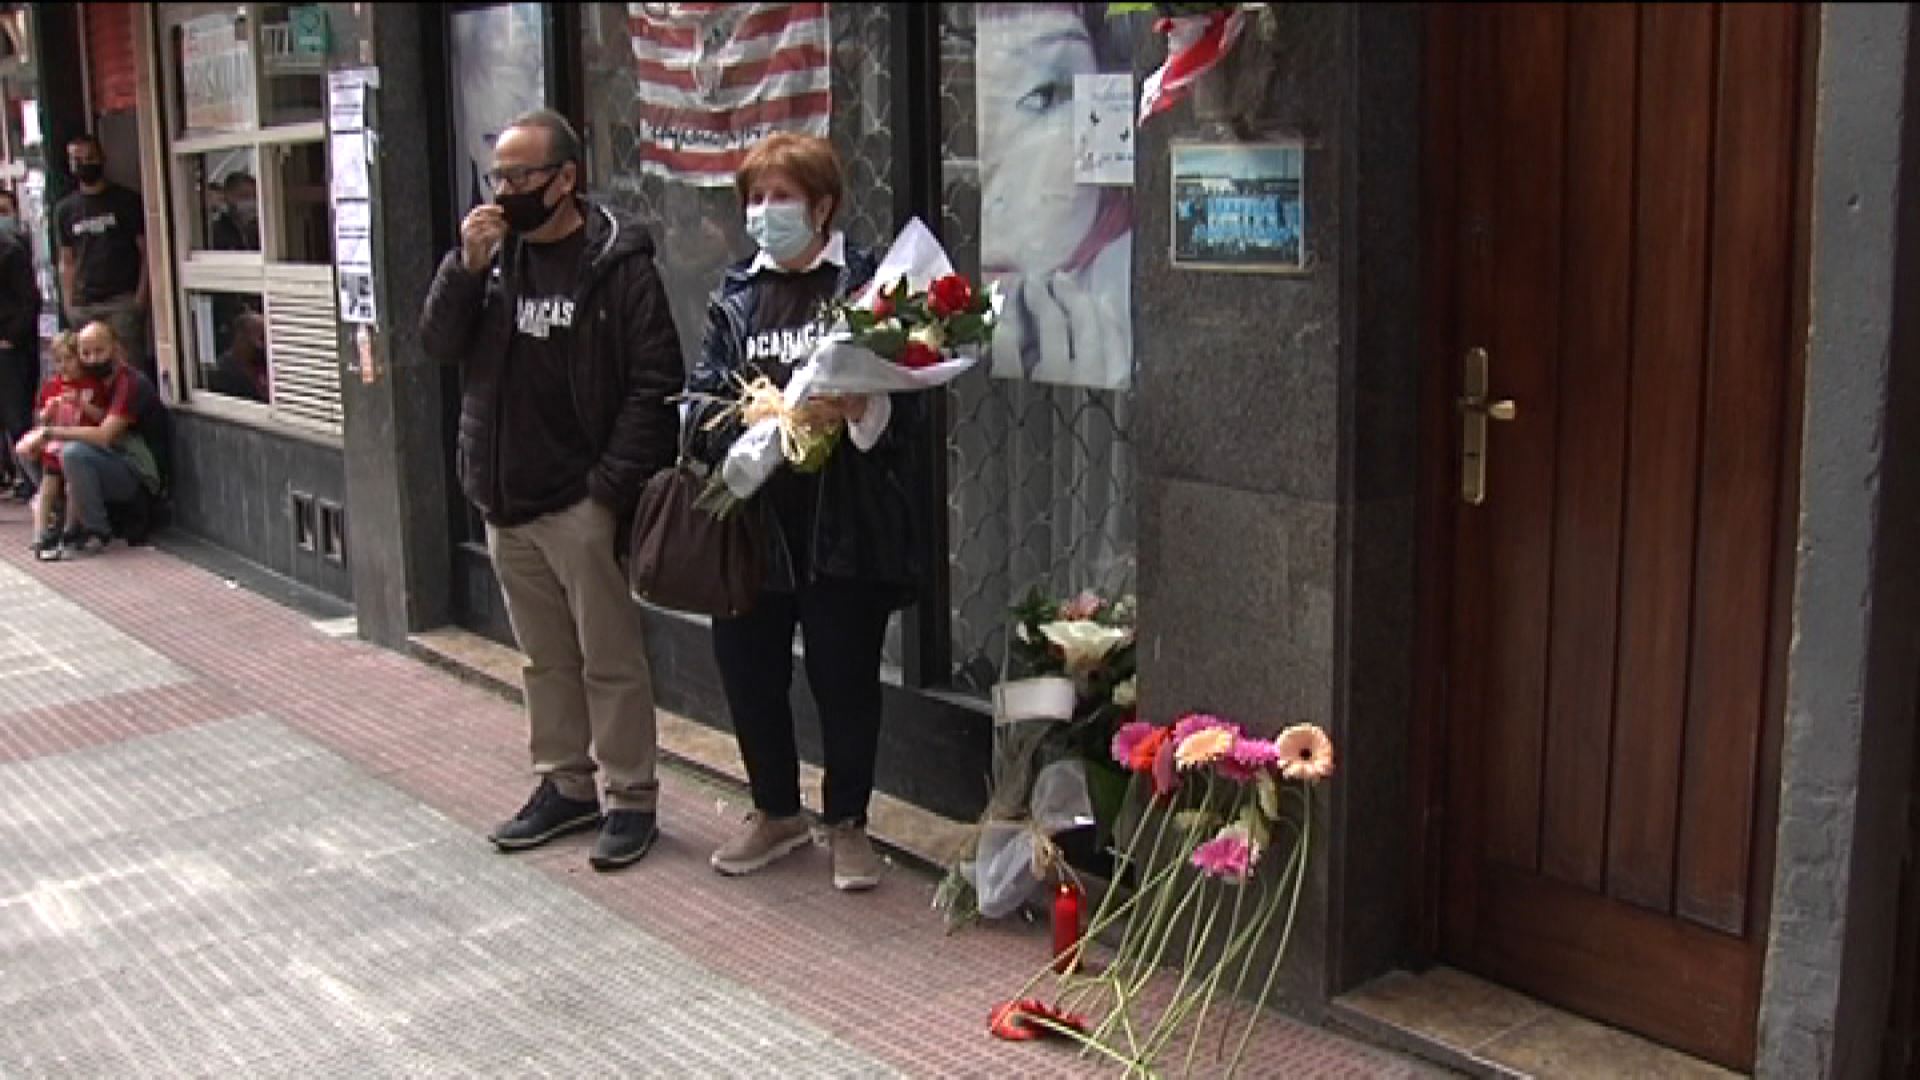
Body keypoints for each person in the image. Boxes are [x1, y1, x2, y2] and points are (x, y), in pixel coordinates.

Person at [419, 109, 682, 872]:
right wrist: (461, 268)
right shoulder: (491, 260)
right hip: (506, 498)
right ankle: (566, 785)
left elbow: (654, 384)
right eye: (497, 176)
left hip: (580, 503)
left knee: (610, 658)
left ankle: (631, 798)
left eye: (521, 176)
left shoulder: (616, 263)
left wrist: (607, 491)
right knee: (543, 660)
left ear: (565, 179)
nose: (505, 192)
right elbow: (437, 344)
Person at [684, 132, 925, 893]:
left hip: (842, 528)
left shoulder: (869, 289)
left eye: (781, 197)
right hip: (756, 529)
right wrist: (752, 418)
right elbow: (698, 408)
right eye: (754, 199)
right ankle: (775, 813)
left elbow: (910, 422)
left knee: (844, 679)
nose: (765, 213)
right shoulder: (735, 298)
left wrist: (862, 408)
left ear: (823, 206)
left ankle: (848, 825)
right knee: (749, 673)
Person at [32, 320, 166, 559]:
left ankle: (96, 531)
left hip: (139, 473)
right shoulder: (95, 384)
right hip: (113, 459)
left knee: (73, 453)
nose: (92, 359)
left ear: (116, 349)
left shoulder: (129, 383)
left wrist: (51, 433)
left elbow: (105, 435)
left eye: (99, 351)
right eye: (85, 353)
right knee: (46, 455)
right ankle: (59, 524)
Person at [54, 134, 150, 383]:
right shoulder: (65, 210)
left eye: (90, 157)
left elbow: (146, 252)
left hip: (121, 300)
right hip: (84, 304)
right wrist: (69, 304)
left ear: (102, 158)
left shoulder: (126, 201)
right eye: (78, 160)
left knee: (129, 373)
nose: (85, 164)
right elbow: (67, 260)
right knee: (88, 375)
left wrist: (139, 298)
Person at [17, 332, 105, 557]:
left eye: (69, 359)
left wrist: (81, 404)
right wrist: (48, 412)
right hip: (55, 447)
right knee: (47, 488)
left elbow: (101, 418)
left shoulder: (92, 386)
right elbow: (41, 420)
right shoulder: (51, 387)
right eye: (58, 361)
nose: (64, 366)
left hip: (78, 446)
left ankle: (69, 529)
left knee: (72, 487)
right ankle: (40, 534)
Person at [0, 188, 42, 500]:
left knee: (17, 417)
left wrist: (10, 338)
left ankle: (35, 480)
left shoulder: (9, 252)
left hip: (10, 349)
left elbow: (29, 301)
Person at [208, 172, 260, 252]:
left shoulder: (258, 230)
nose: (251, 202)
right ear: (228, 197)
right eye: (244, 196)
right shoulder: (216, 233)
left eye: (255, 196)